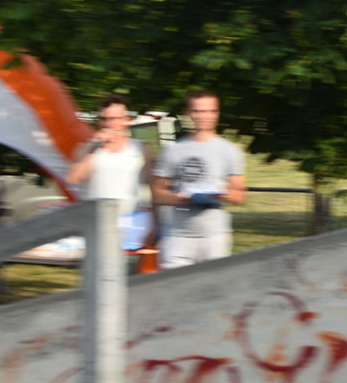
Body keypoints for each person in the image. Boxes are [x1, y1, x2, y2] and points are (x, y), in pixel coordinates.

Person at [151, 89, 247, 269]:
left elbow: (240, 196)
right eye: (198, 111)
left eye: (209, 111)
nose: (204, 116)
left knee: (211, 293)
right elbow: (157, 194)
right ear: (189, 113)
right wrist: (179, 197)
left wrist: (220, 193)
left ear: (216, 113)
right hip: (177, 237)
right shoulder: (172, 150)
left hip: (214, 237)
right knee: (172, 291)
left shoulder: (229, 150)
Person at [66, 94, 155, 254]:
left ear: (126, 120)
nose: (110, 124)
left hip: (131, 224)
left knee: (132, 276)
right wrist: (95, 148)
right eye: (105, 119)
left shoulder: (140, 149)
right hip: (97, 223)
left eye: (115, 119)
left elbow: (152, 187)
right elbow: (74, 178)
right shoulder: (88, 148)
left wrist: (155, 223)